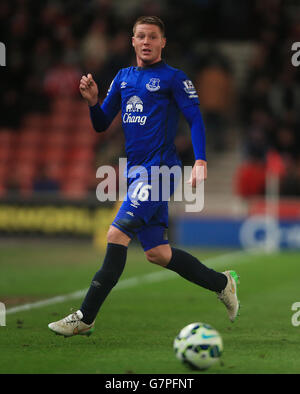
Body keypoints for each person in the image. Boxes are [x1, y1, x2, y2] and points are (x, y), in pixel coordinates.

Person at [48, 16, 240, 337]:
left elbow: (194, 119)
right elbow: (100, 123)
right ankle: (223, 283)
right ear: (132, 41)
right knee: (158, 253)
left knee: (115, 235)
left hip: (161, 170)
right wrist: (94, 102)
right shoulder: (123, 78)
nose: (147, 41)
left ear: (163, 42)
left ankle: (85, 316)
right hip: (136, 173)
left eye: (153, 36)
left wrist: (201, 159)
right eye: (141, 36)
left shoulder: (174, 78)